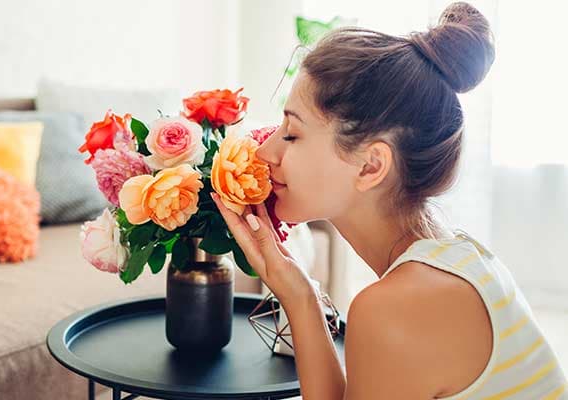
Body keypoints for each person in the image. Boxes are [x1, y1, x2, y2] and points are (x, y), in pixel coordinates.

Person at [210, 2, 567, 399]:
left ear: (370, 167)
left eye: (291, 134)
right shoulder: (461, 258)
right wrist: (298, 293)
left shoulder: (398, 310)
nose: (265, 153)